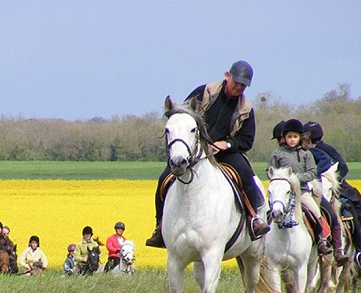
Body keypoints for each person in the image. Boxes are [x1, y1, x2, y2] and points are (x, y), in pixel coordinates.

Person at [146, 60, 270, 248]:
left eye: (243, 85)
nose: (239, 87)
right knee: (164, 178)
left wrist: (226, 144)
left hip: (224, 152)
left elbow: (246, 140)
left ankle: (253, 219)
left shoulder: (246, 108)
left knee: (245, 174)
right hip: (195, 150)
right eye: (236, 82)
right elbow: (183, 114)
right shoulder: (204, 92)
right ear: (227, 76)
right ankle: (160, 226)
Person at [267, 119, 346, 263]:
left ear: (300, 138)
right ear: (284, 138)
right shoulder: (277, 154)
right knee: (267, 214)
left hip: (302, 192)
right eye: (289, 137)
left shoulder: (306, 154)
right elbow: (269, 171)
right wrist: (280, 179)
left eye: (295, 137)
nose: (292, 140)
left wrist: (295, 178)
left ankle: (321, 241)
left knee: (316, 213)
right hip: (281, 192)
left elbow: (312, 173)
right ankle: (261, 243)